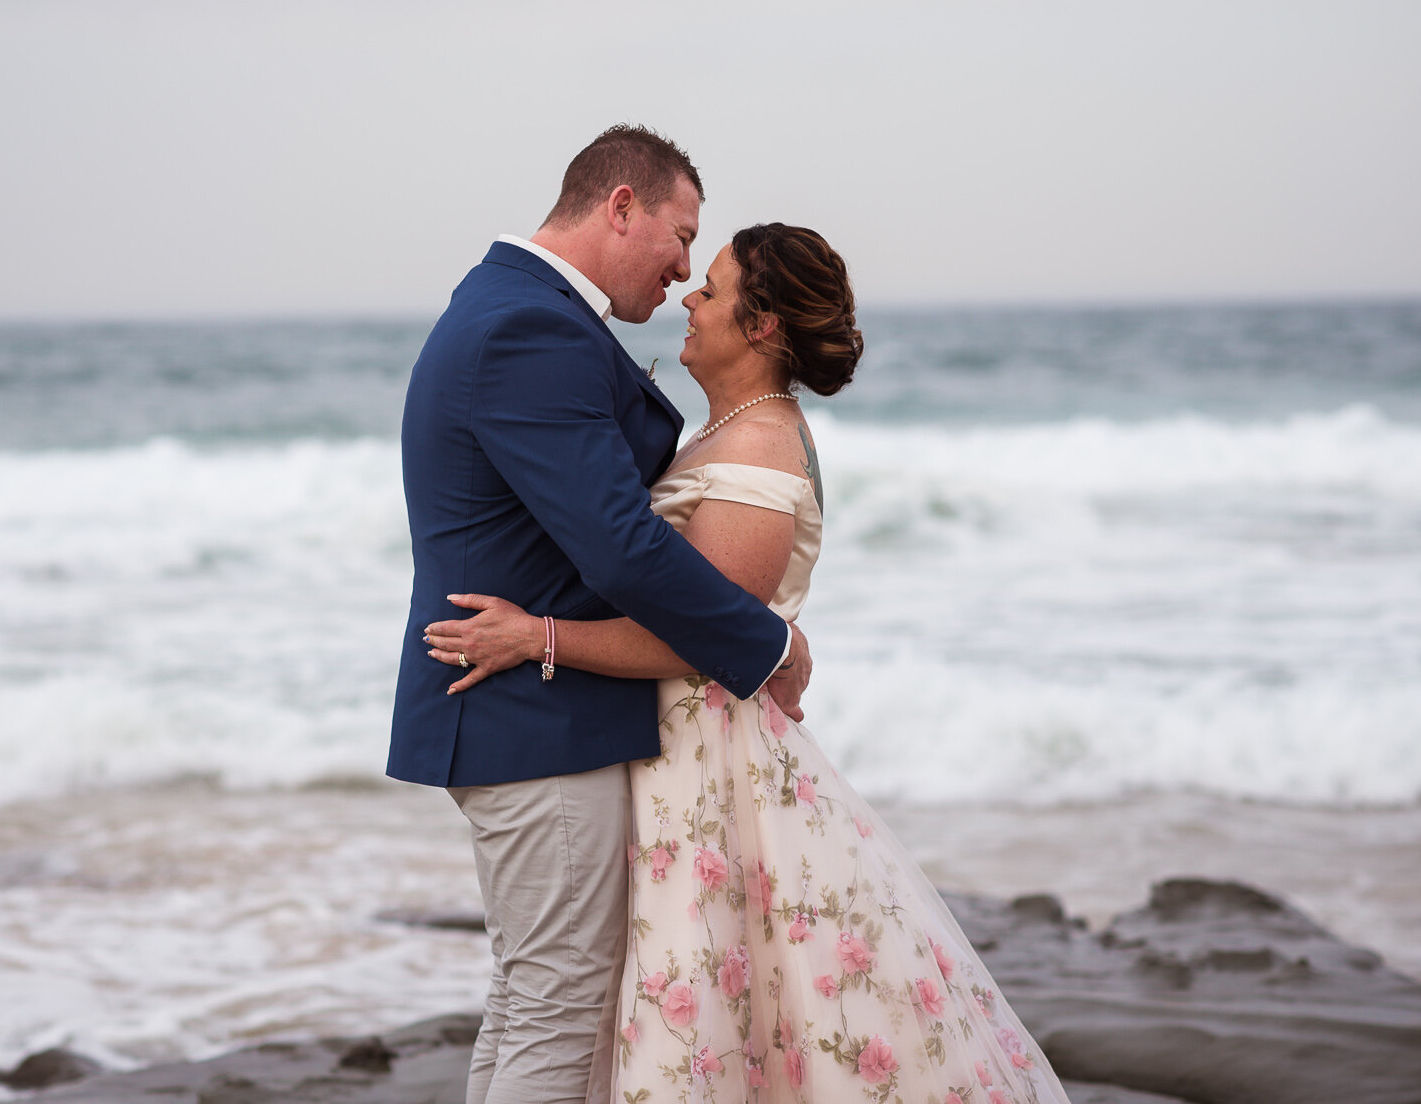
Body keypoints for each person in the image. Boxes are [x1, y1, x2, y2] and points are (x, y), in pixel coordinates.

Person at [425, 224, 1072, 1103]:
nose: (690, 296)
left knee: (702, 1017)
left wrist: (540, 638)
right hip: (668, 758)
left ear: (761, 325)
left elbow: (697, 638)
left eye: (714, 287)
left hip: (709, 773)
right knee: (565, 999)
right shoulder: (725, 432)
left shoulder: (763, 445)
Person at [387, 126, 814, 1104]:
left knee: (530, 996)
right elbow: (619, 546)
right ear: (620, 206)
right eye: (680, 235)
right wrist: (767, 644)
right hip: (533, 722)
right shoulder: (529, 328)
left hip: (517, 712)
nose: (682, 270)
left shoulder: (511, 306)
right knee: (557, 1006)